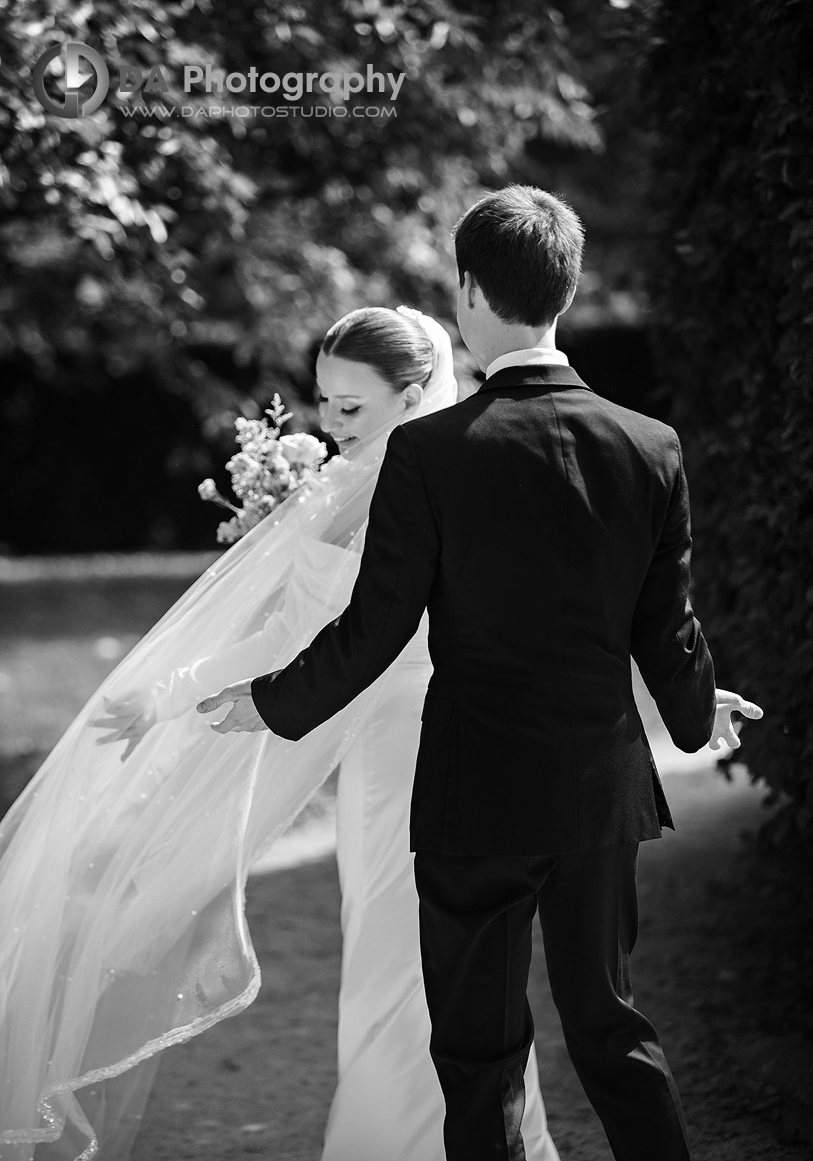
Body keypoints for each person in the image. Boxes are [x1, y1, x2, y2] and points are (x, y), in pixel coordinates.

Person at [200, 186, 764, 1161]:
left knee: (479, 1049)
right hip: (599, 786)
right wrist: (683, 710)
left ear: (467, 291)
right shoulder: (650, 444)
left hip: (476, 796)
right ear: (568, 290)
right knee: (610, 1025)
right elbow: (662, 625)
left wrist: (267, 701)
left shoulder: (429, 451)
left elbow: (377, 629)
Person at [0, 306, 558, 1161]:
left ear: (414, 397)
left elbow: (391, 634)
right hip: (371, 750)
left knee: (409, 958)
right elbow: (293, 629)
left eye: (351, 408)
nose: (328, 427)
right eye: (324, 404)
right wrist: (170, 692)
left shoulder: (439, 480)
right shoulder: (347, 482)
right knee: (382, 947)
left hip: (432, 738)